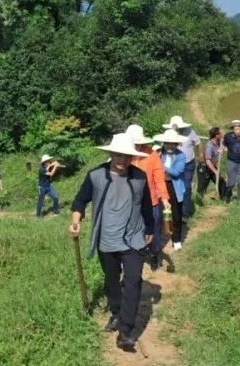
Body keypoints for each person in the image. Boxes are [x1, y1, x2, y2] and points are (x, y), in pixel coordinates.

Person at [70, 133, 153, 351]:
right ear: (110, 153)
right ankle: (116, 313)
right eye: (118, 155)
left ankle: (125, 332)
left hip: (134, 238)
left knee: (134, 280)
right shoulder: (96, 175)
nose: (122, 160)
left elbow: (146, 206)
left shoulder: (140, 177)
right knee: (112, 281)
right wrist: (76, 221)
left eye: (126, 156)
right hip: (107, 239)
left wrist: (151, 229)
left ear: (131, 157)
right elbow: (79, 200)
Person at [126, 124, 171, 269]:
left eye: (140, 143)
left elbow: (159, 178)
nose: (138, 146)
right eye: (135, 143)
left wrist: (164, 198)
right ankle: (134, 257)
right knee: (132, 231)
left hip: (151, 201)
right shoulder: (123, 156)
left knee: (153, 230)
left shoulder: (152, 155)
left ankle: (154, 254)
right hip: (129, 203)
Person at [154, 129, 187, 250]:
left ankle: (177, 239)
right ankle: (159, 237)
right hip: (160, 185)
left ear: (176, 144)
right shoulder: (158, 154)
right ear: (164, 143)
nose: (170, 146)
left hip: (174, 186)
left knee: (176, 214)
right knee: (158, 213)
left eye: (173, 143)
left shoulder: (181, 155)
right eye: (167, 143)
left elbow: (177, 172)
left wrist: (161, 166)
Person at [163, 115, 202, 218]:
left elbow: (198, 143)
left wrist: (200, 155)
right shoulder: (169, 134)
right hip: (173, 165)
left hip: (188, 164)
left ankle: (184, 213)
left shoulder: (190, 132)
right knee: (173, 186)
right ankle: (172, 212)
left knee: (186, 187)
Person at [198, 127, 229, 201]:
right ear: (216, 135)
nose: (222, 135)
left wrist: (223, 149)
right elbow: (208, 161)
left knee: (221, 182)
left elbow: (224, 147)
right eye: (221, 133)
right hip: (205, 168)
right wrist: (215, 171)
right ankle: (198, 202)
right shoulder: (209, 146)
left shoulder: (219, 142)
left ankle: (224, 199)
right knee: (202, 188)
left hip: (212, 166)